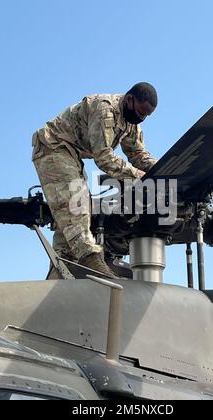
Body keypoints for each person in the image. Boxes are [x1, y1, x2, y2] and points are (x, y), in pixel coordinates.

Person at [32, 82, 158, 278]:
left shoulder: (132, 122)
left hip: (72, 154)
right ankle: (90, 259)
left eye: (147, 116)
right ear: (130, 99)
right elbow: (104, 159)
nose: (141, 118)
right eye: (141, 112)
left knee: (71, 218)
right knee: (77, 203)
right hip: (54, 147)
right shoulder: (105, 110)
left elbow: (138, 154)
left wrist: (160, 171)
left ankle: (60, 270)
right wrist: (139, 177)